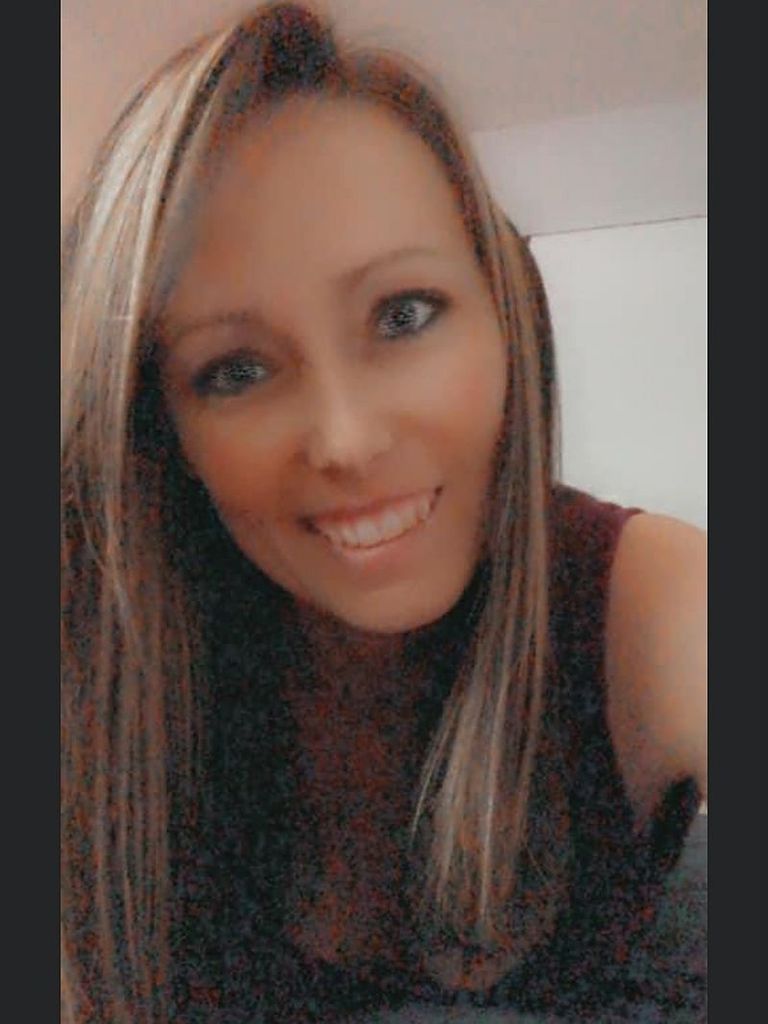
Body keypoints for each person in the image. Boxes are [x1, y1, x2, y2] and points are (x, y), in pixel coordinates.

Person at [60, 3, 707, 1022]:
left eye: (403, 314)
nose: (347, 439)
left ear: (503, 316)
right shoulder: (109, 667)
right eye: (235, 370)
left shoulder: (647, 602)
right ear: (161, 430)